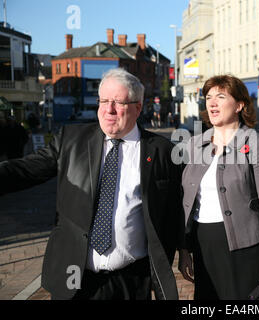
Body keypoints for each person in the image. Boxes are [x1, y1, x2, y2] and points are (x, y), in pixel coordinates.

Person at [0, 68, 184, 300]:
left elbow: (178, 205)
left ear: (138, 107)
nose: (109, 109)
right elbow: (24, 170)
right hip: (75, 276)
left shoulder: (161, 150)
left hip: (131, 278)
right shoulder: (71, 140)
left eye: (118, 102)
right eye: (104, 101)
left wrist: (185, 248)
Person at [178, 75, 259, 300]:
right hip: (203, 244)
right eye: (208, 97)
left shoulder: (257, 143)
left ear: (239, 104)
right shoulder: (195, 144)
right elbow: (186, 201)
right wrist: (184, 249)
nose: (212, 102)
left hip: (244, 248)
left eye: (221, 96)